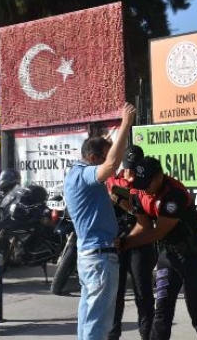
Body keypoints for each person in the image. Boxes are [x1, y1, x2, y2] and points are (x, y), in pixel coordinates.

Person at [122, 156, 197, 340]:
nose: (143, 189)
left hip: (194, 255)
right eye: (140, 184)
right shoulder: (141, 191)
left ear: (158, 178)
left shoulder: (174, 195)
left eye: (147, 184)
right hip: (168, 255)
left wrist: (126, 244)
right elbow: (144, 226)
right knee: (162, 310)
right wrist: (123, 240)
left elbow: (157, 232)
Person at [63, 103, 136, 339]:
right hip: (99, 259)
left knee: (88, 319)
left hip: (93, 256)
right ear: (92, 157)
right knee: (98, 324)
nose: (113, 162)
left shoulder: (76, 177)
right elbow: (111, 165)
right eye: (106, 155)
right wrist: (125, 124)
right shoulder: (84, 175)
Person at [106, 145, 156, 340]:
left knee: (143, 293)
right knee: (115, 295)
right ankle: (112, 336)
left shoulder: (147, 184)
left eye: (135, 169)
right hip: (116, 242)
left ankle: (147, 335)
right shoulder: (112, 180)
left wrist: (126, 200)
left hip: (139, 242)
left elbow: (149, 218)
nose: (131, 174)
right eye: (128, 168)